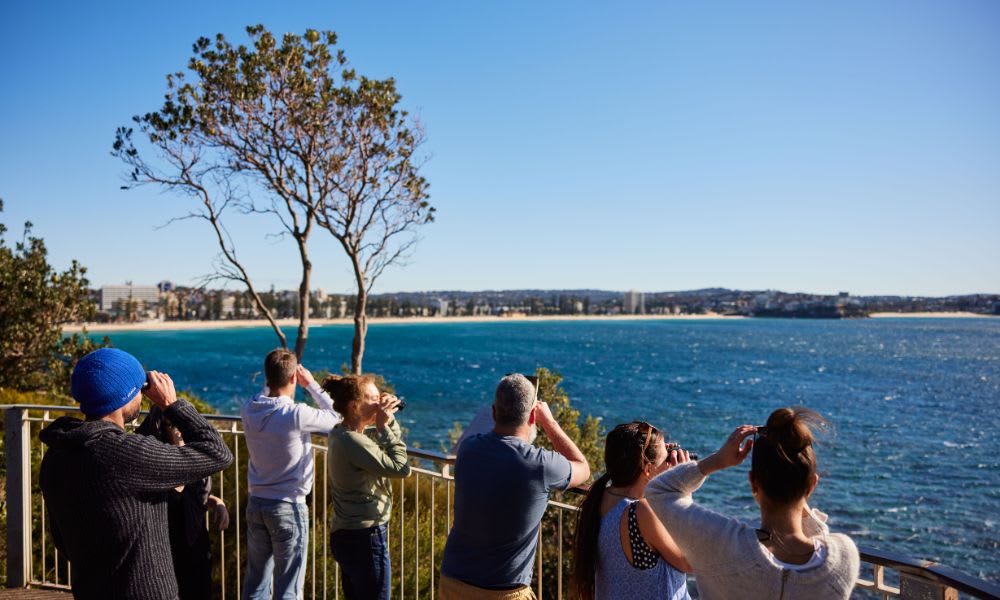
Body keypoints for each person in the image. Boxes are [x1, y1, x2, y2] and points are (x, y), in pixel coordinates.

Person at [39, 348, 233, 600]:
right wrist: (171, 404)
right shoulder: (128, 454)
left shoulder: (57, 454)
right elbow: (218, 452)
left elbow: (63, 542)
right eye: (141, 389)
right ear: (124, 395)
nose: (143, 396)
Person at [646, 407, 860, 600]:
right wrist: (799, 491)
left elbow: (659, 490)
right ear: (812, 484)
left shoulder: (721, 543)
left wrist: (718, 460)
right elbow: (818, 538)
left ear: (753, 483)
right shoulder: (844, 556)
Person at [439, 373, 591, 600]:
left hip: (453, 581)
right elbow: (583, 468)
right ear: (532, 416)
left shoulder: (469, 449)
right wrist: (550, 423)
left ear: (493, 412)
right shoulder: (540, 465)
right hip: (504, 591)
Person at [241, 349, 344, 600]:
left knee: (256, 584)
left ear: (267, 377)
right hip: (288, 507)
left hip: (256, 505)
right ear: (294, 379)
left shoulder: (249, 408)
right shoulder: (295, 414)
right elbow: (338, 418)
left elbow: (267, 395)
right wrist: (313, 386)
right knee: (288, 589)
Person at [571, 422, 692, 600]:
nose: (669, 465)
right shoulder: (640, 512)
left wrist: (656, 450)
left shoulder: (599, 499)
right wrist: (683, 491)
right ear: (648, 469)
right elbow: (690, 562)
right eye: (666, 459)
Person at [323, 375, 412, 600]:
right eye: (373, 398)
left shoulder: (343, 433)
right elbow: (401, 468)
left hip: (349, 533)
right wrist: (383, 424)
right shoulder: (352, 440)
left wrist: (387, 422)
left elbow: (381, 440)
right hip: (364, 537)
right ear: (354, 405)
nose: (379, 403)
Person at [137, 407, 231, 600]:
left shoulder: (194, 458)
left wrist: (217, 502)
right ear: (162, 428)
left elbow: (194, 497)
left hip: (195, 545)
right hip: (166, 552)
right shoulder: (155, 466)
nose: (179, 430)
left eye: (182, 424)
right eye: (172, 424)